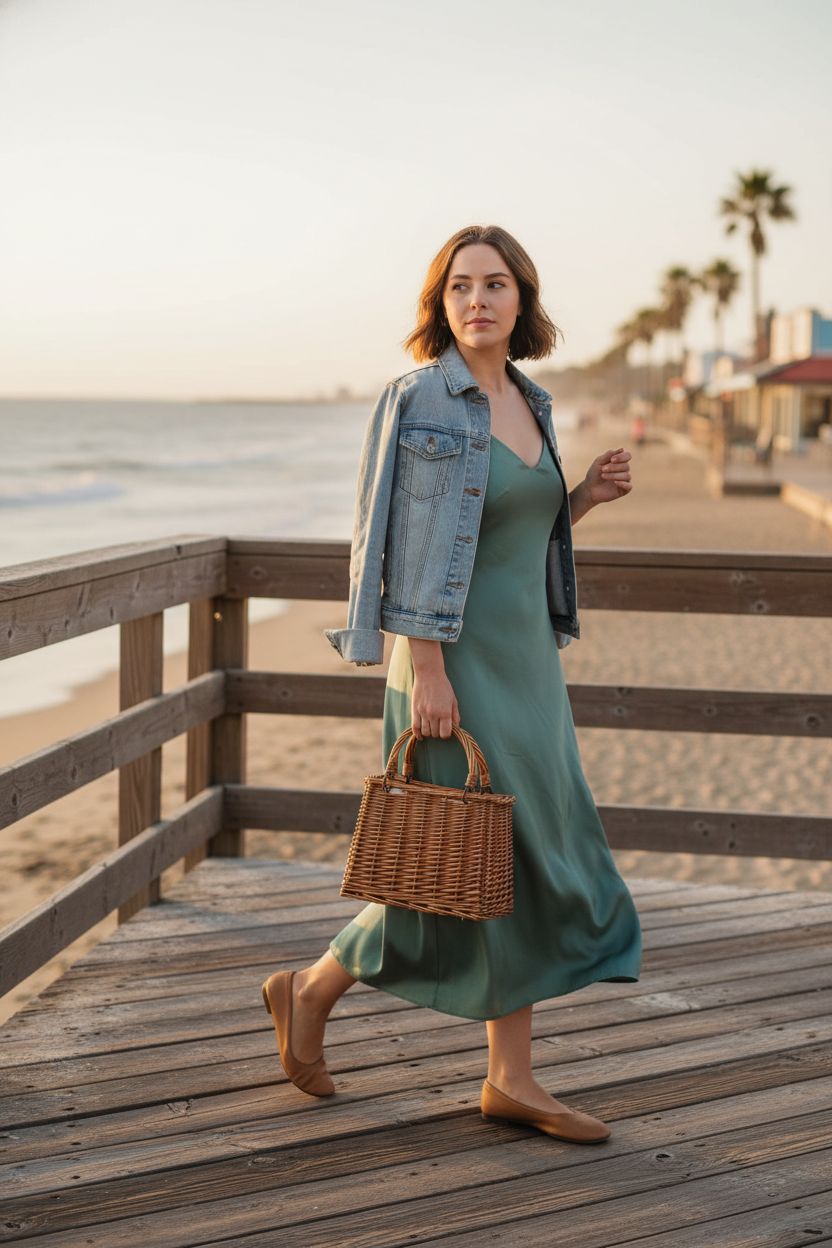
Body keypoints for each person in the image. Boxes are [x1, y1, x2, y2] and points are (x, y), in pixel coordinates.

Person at [262, 224, 642, 1143]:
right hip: (449, 664)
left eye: (496, 284)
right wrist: (425, 668)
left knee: (531, 856)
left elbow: (513, 530)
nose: (478, 300)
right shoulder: (417, 400)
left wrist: (583, 496)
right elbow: (386, 545)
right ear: (440, 303)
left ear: (523, 300)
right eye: (461, 286)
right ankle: (313, 989)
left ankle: (507, 1077)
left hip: (526, 664)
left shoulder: (535, 401)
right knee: (456, 859)